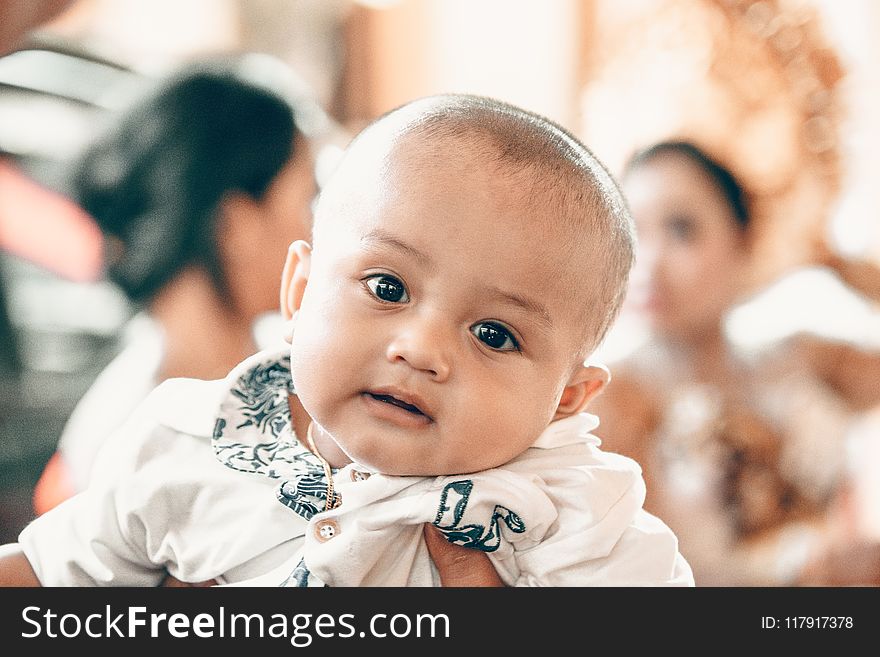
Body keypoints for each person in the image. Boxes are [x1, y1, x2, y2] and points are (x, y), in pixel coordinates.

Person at [0, 94, 693, 587]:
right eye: (388, 287)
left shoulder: (572, 513)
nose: (422, 349)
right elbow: (43, 572)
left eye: (494, 333)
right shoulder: (190, 439)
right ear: (299, 293)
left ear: (567, 397)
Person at [31, 55, 321, 512]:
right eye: (309, 199)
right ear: (235, 224)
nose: (320, 229)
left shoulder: (307, 369)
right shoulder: (128, 442)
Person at [590, 140, 880, 586]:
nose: (649, 262)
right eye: (631, 232)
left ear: (743, 239)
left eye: (681, 229)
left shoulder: (804, 358)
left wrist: (836, 263)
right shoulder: (612, 396)